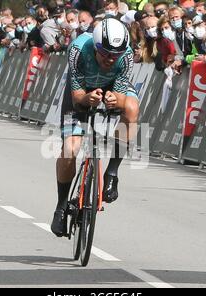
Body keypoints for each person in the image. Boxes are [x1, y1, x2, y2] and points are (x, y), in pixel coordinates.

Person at [51, 18, 140, 237]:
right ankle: (61, 206)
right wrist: (88, 98)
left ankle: (112, 173)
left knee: (131, 108)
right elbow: (77, 97)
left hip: (110, 85)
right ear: (97, 47)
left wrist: (113, 100)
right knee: (70, 149)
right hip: (82, 89)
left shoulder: (125, 55)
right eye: (106, 53)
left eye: (115, 55)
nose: (111, 59)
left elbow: (120, 93)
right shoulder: (79, 49)